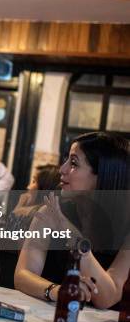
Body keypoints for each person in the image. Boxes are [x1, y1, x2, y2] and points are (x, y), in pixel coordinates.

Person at [14, 132, 130, 309]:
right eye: (67, 160)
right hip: (48, 317)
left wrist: (72, 236)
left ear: (102, 177)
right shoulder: (52, 210)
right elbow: (23, 275)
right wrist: (58, 291)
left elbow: (107, 297)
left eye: (74, 163)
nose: (62, 169)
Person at [5, 164, 60, 234]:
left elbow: (7, 238)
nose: (28, 187)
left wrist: (19, 206)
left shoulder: (32, 213)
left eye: (34, 181)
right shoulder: (56, 212)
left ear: (44, 187)